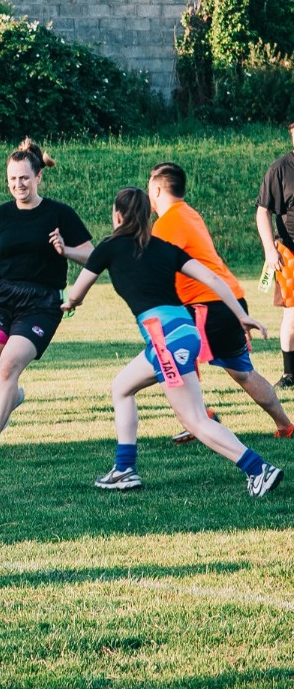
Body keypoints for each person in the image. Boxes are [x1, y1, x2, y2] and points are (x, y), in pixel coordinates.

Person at [62, 187, 282, 498]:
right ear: (146, 215)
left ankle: (258, 469)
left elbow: (77, 293)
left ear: (117, 215)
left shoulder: (108, 247)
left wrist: (69, 304)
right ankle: (124, 469)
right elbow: (214, 279)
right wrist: (240, 315)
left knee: (193, 420)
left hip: (164, 340)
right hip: (184, 332)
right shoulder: (164, 248)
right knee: (122, 386)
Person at [0, 138, 93, 460]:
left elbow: (93, 257)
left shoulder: (59, 214)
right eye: (12, 179)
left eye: (24, 178)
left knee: (8, 366)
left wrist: (65, 250)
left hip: (41, 304)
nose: (18, 184)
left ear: (38, 177)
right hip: (1, 300)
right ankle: (14, 395)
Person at [149, 162, 293, 442]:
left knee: (170, 361)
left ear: (156, 190)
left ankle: (200, 417)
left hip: (206, 307)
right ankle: (285, 425)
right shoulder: (189, 214)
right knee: (243, 373)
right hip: (229, 300)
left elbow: (157, 271)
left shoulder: (167, 224)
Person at [256, 120, 294, 390]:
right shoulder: (280, 169)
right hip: (289, 253)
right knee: (293, 315)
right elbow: (262, 211)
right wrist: (270, 250)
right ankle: (290, 374)